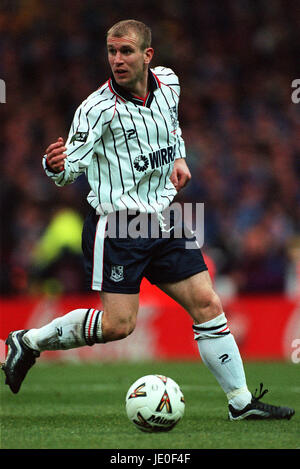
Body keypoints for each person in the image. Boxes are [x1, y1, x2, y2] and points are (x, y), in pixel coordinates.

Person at [2, 19, 294, 421]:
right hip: (119, 225)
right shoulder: (96, 108)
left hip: (163, 217)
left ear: (147, 56)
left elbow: (171, 126)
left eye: (126, 51)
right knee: (120, 325)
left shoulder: (169, 83)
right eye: (111, 51)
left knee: (207, 303)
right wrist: (53, 165)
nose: (117, 60)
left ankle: (240, 402)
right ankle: (29, 341)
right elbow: (69, 168)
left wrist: (179, 156)